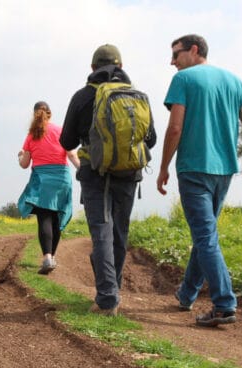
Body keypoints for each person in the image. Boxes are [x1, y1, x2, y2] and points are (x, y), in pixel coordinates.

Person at [157, 34, 242, 327]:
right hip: (225, 171)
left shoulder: (184, 80)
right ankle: (186, 294)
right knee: (204, 235)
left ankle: (224, 305)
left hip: (194, 169)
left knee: (205, 237)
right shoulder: (235, 81)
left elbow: (174, 128)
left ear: (194, 50)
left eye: (176, 54)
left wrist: (163, 167)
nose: (172, 62)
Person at [60, 44, 157, 315]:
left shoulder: (82, 96)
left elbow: (66, 141)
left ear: (92, 69)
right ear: (121, 67)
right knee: (119, 233)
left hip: (95, 172)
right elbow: (151, 139)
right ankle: (113, 291)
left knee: (101, 232)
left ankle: (107, 298)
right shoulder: (138, 96)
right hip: (129, 172)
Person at [17, 101, 79, 275]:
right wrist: (82, 169)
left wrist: (20, 156)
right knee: (56, 217)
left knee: (44, 216)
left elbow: (24, 164)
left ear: (34, 114)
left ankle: (47, 257)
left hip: (42, 179)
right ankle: (51, 257)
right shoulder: (60, 131)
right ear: (49, 114)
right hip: (62, 177)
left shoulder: (31, 135)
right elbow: (72, 154)